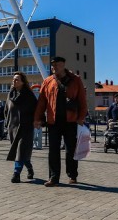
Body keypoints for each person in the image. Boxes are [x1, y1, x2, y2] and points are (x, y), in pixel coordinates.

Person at [34, 56, 88, 187]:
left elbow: (82, 100)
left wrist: (81, 117)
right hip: (53, 121)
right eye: (52, 66)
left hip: (70, 121)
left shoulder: (75, 80)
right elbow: (41, 102)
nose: (54, 68)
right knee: (53, 150)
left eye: (56, 65)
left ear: (63, 65)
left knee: (71, 150)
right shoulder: (47, 81)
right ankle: (53, 177)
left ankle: (72, 174)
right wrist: (37, 119)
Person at [5, 72, 37, 183]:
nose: (14, 81)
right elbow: (7, 110)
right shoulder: (11, 94)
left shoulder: (28, 95)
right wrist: (7, 123)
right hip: (13, 127)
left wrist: (35, 121)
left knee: (21, 150)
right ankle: (29, 168)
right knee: (21, 153)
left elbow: (36, 109)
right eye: (13, 79)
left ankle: (16, 174)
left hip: (25, 127)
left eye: (17, 79)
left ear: (23, 82)